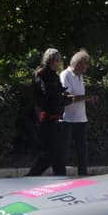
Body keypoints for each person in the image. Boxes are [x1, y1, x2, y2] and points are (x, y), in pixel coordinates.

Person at [27, 48, 69, 176]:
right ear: (51, 60)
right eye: (58, 60)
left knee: (58, 155)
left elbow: (58, 96)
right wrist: (61, 97)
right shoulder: (41, 74)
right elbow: (47, 96)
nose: (59, 63)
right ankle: (29, 178)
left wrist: (64, 97)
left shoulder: (54, 76)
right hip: (45, 120)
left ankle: (60, 181)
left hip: (55, 119)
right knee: (49, 155)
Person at [61, 49, 97, 176]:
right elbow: (68, 97)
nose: (86, 67)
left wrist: (86, 98)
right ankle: (61, 175)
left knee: (82, 150)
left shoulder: (80, 76)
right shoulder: (66, 75)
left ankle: (83, 174)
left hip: (81, 119)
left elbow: (78, 97)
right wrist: (87, 97)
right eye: (85, 64)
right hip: (68, 119)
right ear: (79, 63)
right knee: (64, 149)